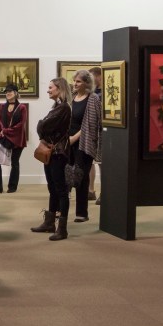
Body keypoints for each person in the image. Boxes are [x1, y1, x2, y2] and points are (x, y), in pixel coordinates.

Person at [31, 77, 72, 241]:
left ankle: (62, 229)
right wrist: (42, 126)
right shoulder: (58, 107)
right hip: (52, 153)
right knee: (52, 188)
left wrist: (42, 125)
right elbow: (42, 127)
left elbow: (42, 126)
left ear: (59, 88)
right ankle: (49, 223)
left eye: (50, 87)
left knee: (61, 190)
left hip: (58, 154)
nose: (48, 90)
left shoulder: (63, 108)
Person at [69, 70, 102, 223]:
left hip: (84, 142)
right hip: (68, 142)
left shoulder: (93, 99)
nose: (75, 84)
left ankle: (82, 213)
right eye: (75, 81)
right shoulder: (72, 98)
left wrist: (75, 138)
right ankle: (62, 211)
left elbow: (92, 125)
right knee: (69, 175)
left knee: (81, 178)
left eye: (79, 81)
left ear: (87, 83)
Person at [0, 83, 28, 194]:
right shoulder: (2, 107)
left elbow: (21, 124)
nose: (8, 93)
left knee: (15, 162)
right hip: (3, 137)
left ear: (16, 93)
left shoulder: (22, 107)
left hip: (17, 139)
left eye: (10, 91)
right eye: (6, 92)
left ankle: (12, 187)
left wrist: (6, 131)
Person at [88, 66, 102, 205]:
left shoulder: (103, 94)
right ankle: (90, 190)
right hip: (91, 132)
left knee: (102, 164)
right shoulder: (93, 93)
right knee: (90, 162)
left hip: (102, 132)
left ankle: (105, 191)